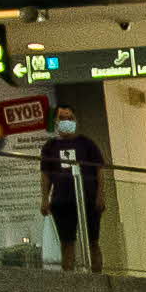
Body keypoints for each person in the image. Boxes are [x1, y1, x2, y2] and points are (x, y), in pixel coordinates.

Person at [38, 110, 111, 268]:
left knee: (93, 242)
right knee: (67, 244)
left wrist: (101, 195)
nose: (66, 121)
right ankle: (70, 283)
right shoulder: (50, 146)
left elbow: (99, 170)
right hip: (62, 202)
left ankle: (98, 278)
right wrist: (45, 199)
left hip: (88, 199)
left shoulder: (86, 143)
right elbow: (46, 175)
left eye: (70, 118)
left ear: (75, 121)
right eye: (62, 118)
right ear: (56, 122)